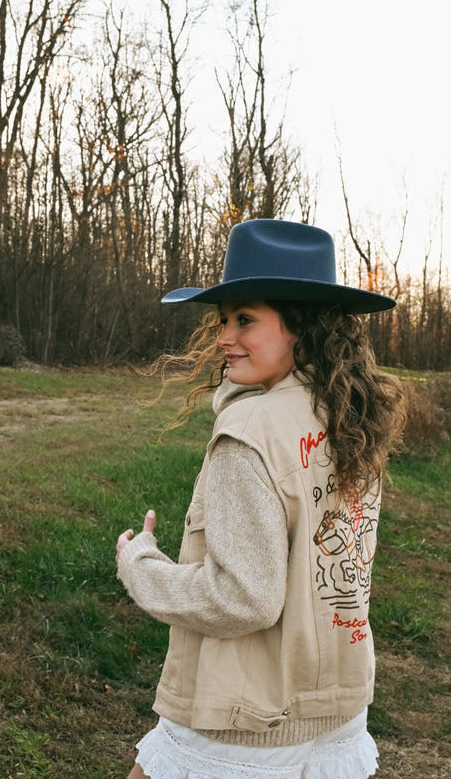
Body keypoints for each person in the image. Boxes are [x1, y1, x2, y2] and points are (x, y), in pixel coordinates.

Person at [115, 219, 406, 779]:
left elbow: (244, 598)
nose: (223, 338)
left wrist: (141, 567)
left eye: (244, 319)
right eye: (223, 320)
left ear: (302, 324)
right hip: (336, 710)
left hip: (245, 719)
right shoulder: (350, 416)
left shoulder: (249, 432)